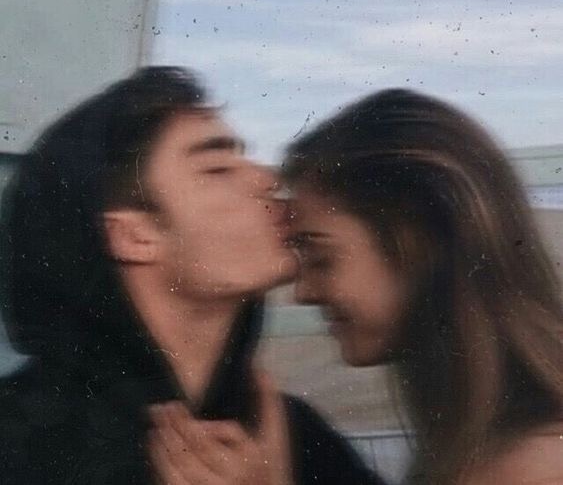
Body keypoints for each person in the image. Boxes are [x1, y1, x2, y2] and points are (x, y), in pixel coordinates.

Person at [0, 67, 383, 484]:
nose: (268, 178)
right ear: (133, 236)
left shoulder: (295, 439)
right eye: (217, 168)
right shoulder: (18, 447)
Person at [284, 89, 563, 484]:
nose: (303, 292)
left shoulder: (525, 469)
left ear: (418, 242)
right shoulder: (494, 442)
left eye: (321, 258)